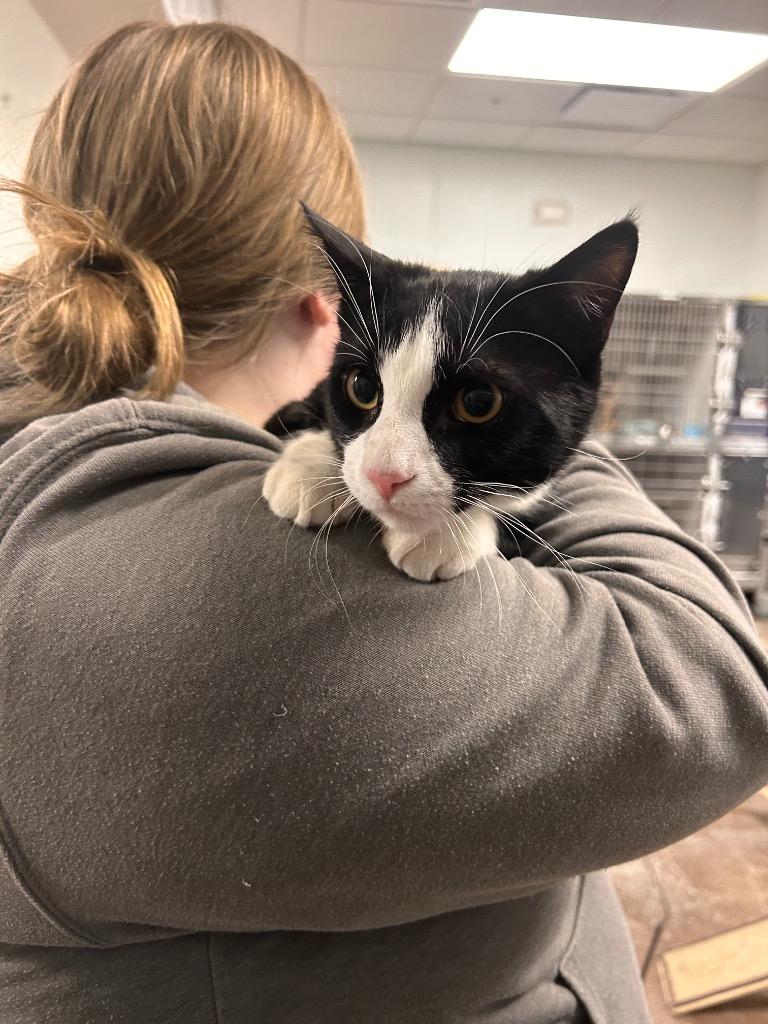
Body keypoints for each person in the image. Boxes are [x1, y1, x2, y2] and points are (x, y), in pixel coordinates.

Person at [0, 20, 766, 1024]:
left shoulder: (51, 472)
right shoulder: (218, 582)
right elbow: (719, 689)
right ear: (324, 310)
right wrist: (533, 385)